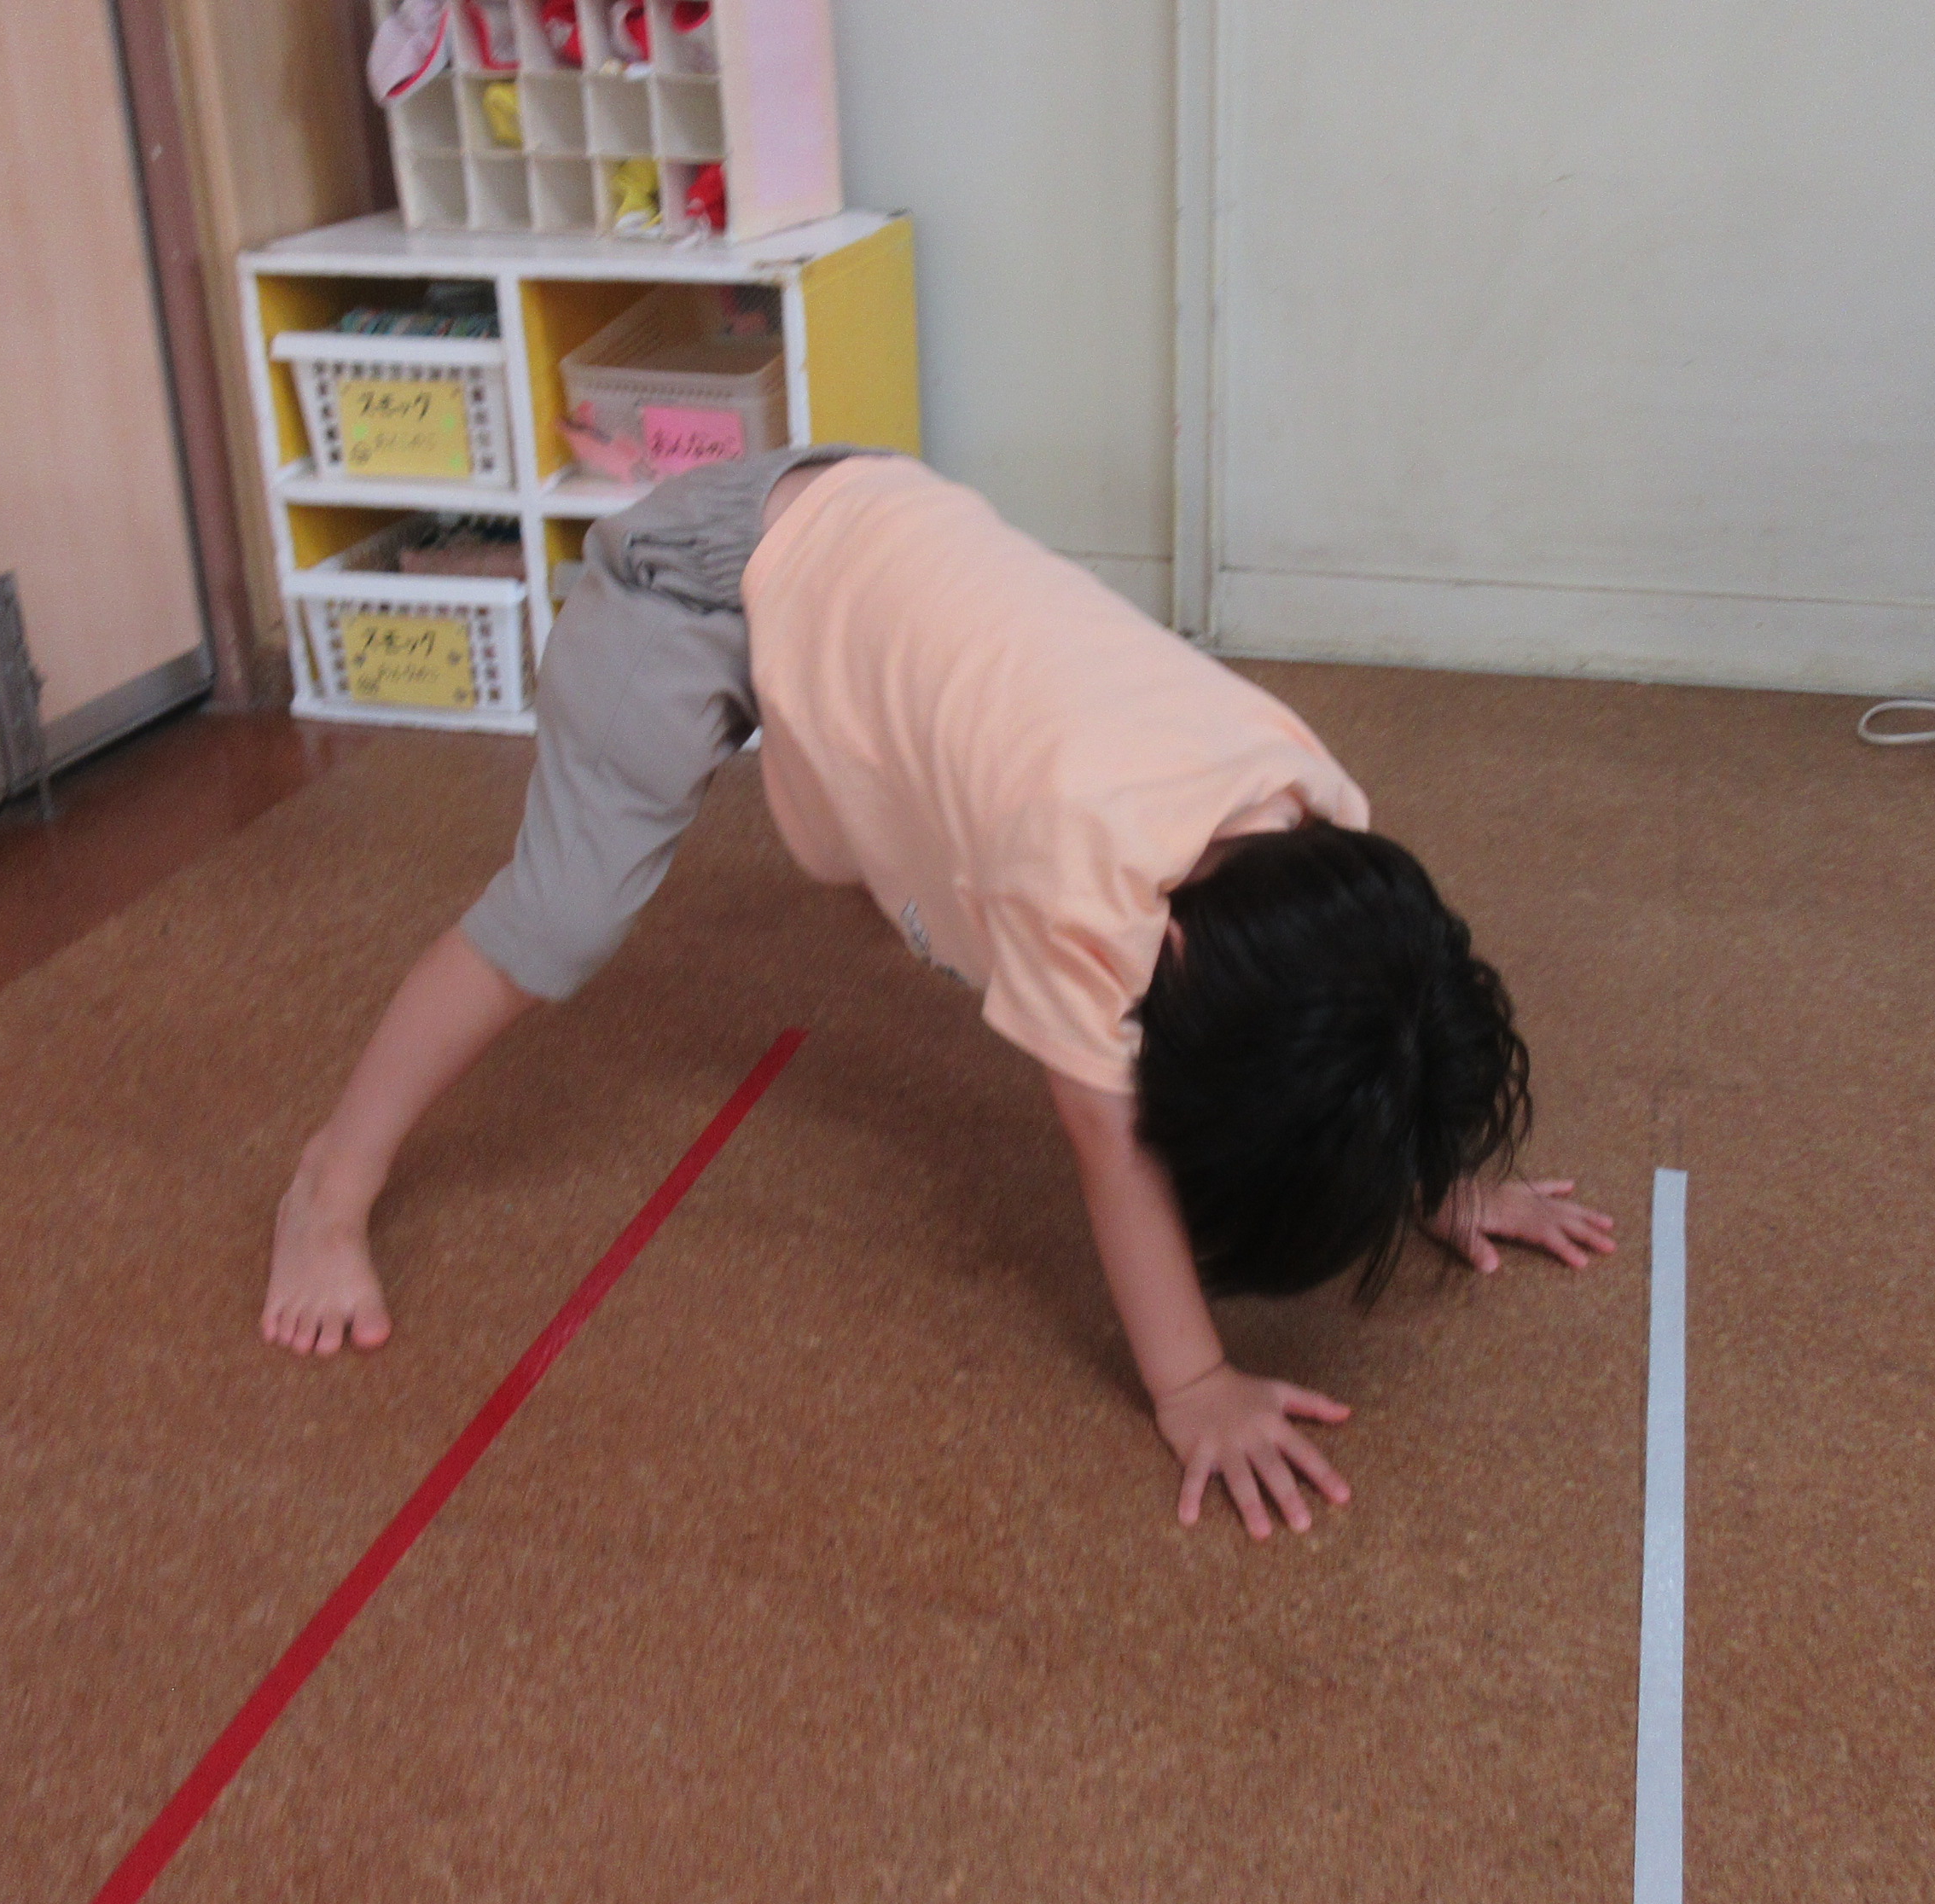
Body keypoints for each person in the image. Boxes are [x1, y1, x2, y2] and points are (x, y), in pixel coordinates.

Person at [262, 448, 1616, 1537]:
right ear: (1170, 975)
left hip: (876, 517)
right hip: (692, 585)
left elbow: (1375, 1011)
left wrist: (1429, 1161)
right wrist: (1196, 1384)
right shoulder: (1083, 876)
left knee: (936, 812)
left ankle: (863, 802)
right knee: (562, 917)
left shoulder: (1313, 811)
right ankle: (330, 1179)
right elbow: (1109, 1141)